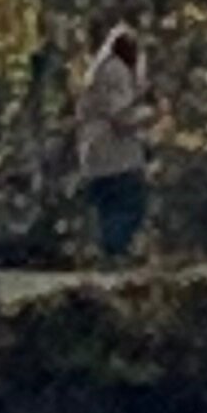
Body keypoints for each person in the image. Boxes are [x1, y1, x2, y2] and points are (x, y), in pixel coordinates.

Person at [75, 26, 151, 265]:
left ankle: (110, 253)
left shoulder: (99, 70)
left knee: (107, 205)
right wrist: (150, 114)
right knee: (126, 203)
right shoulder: (115, 71)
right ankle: (115, 254)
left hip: (95, 152)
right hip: (114, 155)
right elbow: (120, 116)